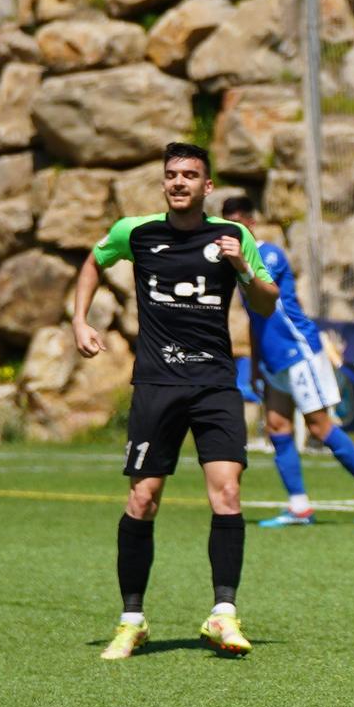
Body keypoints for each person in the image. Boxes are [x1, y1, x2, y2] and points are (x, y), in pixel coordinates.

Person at [72, 142, 278, 659]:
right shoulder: (136, 232)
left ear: (207, 186)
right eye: (171, 174)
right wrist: (80, 319)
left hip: (214, 384)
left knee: (227, 493)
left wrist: (245, 269)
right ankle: (132, 620)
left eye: (190, 174)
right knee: (143, 498)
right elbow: (94, 262)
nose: (179, 182)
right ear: (164, 183)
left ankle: (223, 615)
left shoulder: (234, 236)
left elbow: (267, 303)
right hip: (157, 386)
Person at [218, 197, 354, 528]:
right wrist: (254, 365)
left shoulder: (268, 254)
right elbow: (255, 319)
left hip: (299, 352)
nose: (233, 230)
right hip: (273, 360)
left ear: (251, 223)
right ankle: (299, 506)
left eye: (238, 222)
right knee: (278, 427)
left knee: (319, 425)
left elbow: (260, 291)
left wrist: (238, 265)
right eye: (227, 224)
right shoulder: (237, 265)